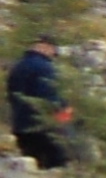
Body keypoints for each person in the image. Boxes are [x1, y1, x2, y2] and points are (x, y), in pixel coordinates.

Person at [8, 36, 73, 168]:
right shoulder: (45, 68)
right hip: (45, 127)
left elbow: (12, 96)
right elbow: (50, 97)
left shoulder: (18, 66)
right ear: (46, 47)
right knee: (57, 165)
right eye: (54, 51)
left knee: (31, 166)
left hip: (21, 125)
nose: (54, 56)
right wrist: (64, 115)